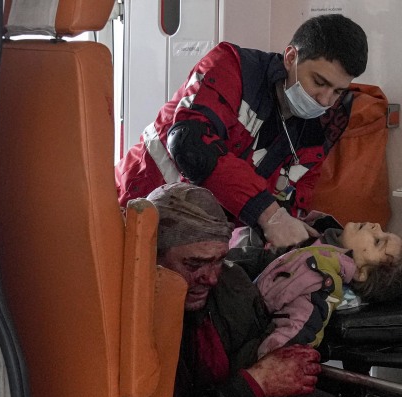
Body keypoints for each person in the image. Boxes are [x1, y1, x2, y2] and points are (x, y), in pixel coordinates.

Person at [116, 14, 368, 249]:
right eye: (319, 82)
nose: (325, 101)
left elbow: (294, 198)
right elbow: (189, 144)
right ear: (291, 57)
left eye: (337, 92)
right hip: (137, 207)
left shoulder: (320, 128)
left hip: (202, 242)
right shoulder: (233, 68)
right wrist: (269, 215)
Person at [142, 182, 322, 397]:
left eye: (218, 260)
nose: (211, 278)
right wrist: (252, 385)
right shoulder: (129, 318)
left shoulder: (233, 287)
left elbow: (280, 393)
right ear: (151, 258)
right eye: (194, 265)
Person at [254, 222, 402, 357]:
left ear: (361, 272)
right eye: (384, 231)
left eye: (377, 241)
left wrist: (260, 369)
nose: (376, 226)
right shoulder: (321, 239)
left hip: (246, 314)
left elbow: (294, 336)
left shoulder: (322, 279)